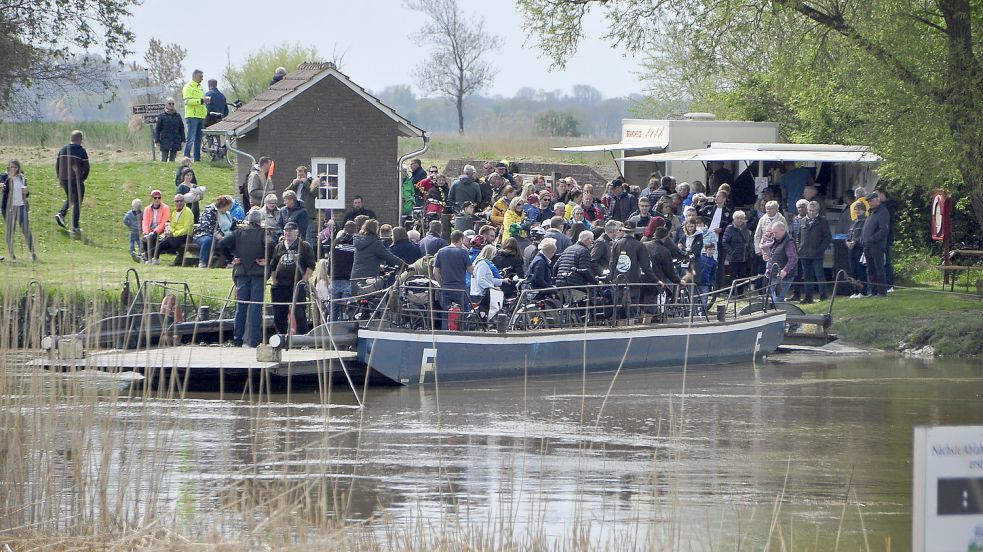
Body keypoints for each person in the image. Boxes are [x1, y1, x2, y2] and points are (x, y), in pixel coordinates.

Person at [218, 208, 269, 347]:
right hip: (258, 273)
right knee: (256, 307)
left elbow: (222, 243)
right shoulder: (263, 234)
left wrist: (231, 258)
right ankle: (254, 340)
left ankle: (237, 339)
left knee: (241, 307)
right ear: (260, 221)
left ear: (248, 220)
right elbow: (271, 245)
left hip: (241, 273)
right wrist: (267, 259)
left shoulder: (238, 233)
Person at [269, 221, 316, 335]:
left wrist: (303, 281)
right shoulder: (278, 246)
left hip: (297, 285)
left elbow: (310, 265)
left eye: (290, 230)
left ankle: (303, 339)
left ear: (297, 232)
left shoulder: (304, 246)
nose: (288, 233)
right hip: (281, 285)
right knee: (279, 313)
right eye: (286, 230)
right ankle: (282, 336)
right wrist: (275, 281)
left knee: (299, 312)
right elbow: (273, 265)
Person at [433, 230, 473, 329]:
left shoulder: (441, 252)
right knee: (463, 314)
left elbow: (435, 272)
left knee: (446, 314)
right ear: (460, 239)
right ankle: (462, 335)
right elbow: (470, 270)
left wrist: (441, 284)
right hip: (460, 288)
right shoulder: (463, 252)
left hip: (446, 288)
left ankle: (445, 334)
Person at [1, 160, 37, 261]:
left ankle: (33, 253)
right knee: (11, 231)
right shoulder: (4, 177)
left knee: (26, 230)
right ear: (8, 167)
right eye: (11, 167)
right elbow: (3, 188)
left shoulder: (22, 177)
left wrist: (27, 191)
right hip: (8, 208)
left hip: (21, 206)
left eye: (15, 167)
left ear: (18, 168)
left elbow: (26, 194)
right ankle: (12, 255)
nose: (13, 169)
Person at [55, 129, 89, 235]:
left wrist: (59, 178)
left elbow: (57, 165)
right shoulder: (81, 151)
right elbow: (86, 167)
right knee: (77, 202)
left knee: (71, 198)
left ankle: (61, 214)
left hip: (64, 179)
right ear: (79, 139)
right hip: (76, 179)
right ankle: (75, 227)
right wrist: (82, 178)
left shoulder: (63, 149)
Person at [797, 200, 832, 303]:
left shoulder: (822, 221)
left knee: (819, 275)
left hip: (817, 253)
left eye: (814, 210)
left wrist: (821, 249)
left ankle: (823, 296)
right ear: (807, 210)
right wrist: (799, 246)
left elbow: (827, 237)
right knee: (807, 276)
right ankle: (808, 297)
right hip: (804, 253)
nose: (812, 212)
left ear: (818, 210)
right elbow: (798, 235)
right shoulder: (803, 221)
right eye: (810, 210)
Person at [760, 221, 798, 303]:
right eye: (773, 232)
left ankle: (780, 314)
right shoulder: (776, 241)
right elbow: (774, 254)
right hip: (774, 274)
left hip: (784, 276)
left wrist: (785, 270)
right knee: (773, 299)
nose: (774, 234)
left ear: (783, 230)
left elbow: (793, 258)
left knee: (777, 299)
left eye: (776, 232)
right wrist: (768, 256)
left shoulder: (789, 242)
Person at [193, 195, 235, 268]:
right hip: (204, 234)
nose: (230, 208)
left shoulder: (226, 213)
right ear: (223, 205)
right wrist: (217, 235)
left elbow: (231, 222)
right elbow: (206, 226)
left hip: (222, 236)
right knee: (208, 240)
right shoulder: (210, 211)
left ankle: (231, 262)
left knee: (233, 239)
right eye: (229, 206)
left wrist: (242, 222)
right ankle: (203, 263)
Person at [861, 192, 890, 297]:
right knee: (870, 269)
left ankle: (881, 292)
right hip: (867, 246)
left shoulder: (883, 212)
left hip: (877, 246)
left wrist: (871, 239)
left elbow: (884, 230)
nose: (870, 203)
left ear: (877, 200)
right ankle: (873, 291)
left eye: (871, 201)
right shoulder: (871, 212)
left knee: (879, 269)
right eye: (868, 202)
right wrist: (863, 239)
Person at [328, 221, 357, 321]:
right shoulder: (355, 243)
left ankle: (332, 328)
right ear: (355, 230)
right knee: (346, 307)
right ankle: (345, 329)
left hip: (335, 277)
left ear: (344, 229)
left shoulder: (335, 242)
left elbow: (330, 260)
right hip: (348, 278)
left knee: (334, 307)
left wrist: (329, 274)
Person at [287, 166, 319, 246]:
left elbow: (316, 193)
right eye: (298, 175)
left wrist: (305, 182)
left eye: (302, 175)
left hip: (307, 213)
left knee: (308, 237)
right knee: (296, 235)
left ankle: (309, 255)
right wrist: (292, 184)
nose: (300, 177)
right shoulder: (295, 184)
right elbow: (286, 194)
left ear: (306, 174)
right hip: (296, 213)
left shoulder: (312, 182)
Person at [182, 69, 208, 161]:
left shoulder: (200, 87)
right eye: (201, 77)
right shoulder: (188, 87)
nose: (202, 79)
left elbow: (202, 102)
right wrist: (201, 101)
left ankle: (197, 158)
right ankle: (186, 157)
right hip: (192, 116)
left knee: (198, 139)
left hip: (200, 116)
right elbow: (187, 101)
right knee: (191, 138)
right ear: (195, 76)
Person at [722, 210, 754, 285]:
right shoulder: (730, 228)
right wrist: (732, 252)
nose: (739, 220)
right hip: (734, 257)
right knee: (733, 275)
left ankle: (740, 293)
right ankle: (732, 293)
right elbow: (725, 242)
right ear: (734, 219)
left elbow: (749, 241)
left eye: (741, 218)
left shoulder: (746, 228)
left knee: (742, 276)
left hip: (744, 256)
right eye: (737, 218)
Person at [470, 244, 504, 312]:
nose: (494, 256)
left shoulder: (480, 263)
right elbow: (480, 280)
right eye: (494, 254)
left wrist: (502, 281)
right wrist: (492, 288)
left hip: (477, 293)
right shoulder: (483, 264)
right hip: (480, 294)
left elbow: (488, 279)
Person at [140, 190, 171, 263]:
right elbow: (145, 222)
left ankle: (145, 256)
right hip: (150, 231)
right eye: (155, 198)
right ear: (152, 199)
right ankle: (148, 258)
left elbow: (164, 221)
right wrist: (146, 232)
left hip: (162, 231)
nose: (157, 200)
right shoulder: (147, 209)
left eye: (159, 198)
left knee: (153, 237)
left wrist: (155, 231)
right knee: (145, 239)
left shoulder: (165, 208)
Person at [877, 188, 898, 292]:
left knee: (887, 261)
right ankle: (884, 284)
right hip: (882, 238)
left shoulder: (887, 207)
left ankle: (889, 284)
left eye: (877, 195)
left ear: (882, 194)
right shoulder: (882, 207)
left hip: (887, 237)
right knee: (882, 261)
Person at [846, 202, 868, 298]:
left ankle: (863, 291)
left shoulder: (865, 221)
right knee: (853, 270)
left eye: (859, 209)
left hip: (860, 248)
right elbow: (848, 235)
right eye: (856, 209)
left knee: (861, 270)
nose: (857, 211)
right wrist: (847, 242)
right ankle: (855, 291)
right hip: (851, 249)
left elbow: (864, 235)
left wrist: (855, 242)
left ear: (864, 210)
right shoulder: (853, 222)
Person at [154, 97, 185, 162]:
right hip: (165, 140)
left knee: (172, 160)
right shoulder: (161, 116)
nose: (171, 105)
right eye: (169, 103)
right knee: (164, 159)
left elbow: (181, 128)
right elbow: (158, 129)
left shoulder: (178, 115)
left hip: (175, 140)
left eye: (173, 104)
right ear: (166, 104)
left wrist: (183, 140)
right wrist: (157, 140)